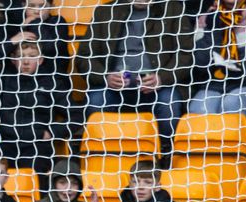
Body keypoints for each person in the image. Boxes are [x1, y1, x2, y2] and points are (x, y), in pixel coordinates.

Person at [75, 0, 194, 153]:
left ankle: (166, 154)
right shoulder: (105, 11)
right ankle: (100, 154)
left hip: (158, 87)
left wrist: (162, 78)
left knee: (169, 104)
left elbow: (186, 55)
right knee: (95, 102)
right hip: (113, 87)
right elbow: (84, 56)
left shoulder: (174, 10)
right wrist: (106, 77)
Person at [0, 40, 75, 176]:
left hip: (37, 147)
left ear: (40, 60)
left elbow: (77, 115)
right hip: (7, 145)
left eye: (32, 56)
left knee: (32, 179)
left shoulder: (51, 83)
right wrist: (13, 41)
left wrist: (52, 132)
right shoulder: (5, 79)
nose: (26, 61)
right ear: (13, 60)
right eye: (21, 56)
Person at [188, 0, 246, 116]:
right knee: (200, 108)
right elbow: (200, 63)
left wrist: (236, 68)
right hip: (215, 83)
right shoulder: (209, 16)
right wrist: (211, 26)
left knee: (232, 104)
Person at [120, 160, 185, 202]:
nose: (140, 187)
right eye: (135, 182)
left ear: (157, 187)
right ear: (130, 184)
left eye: (148, 182)